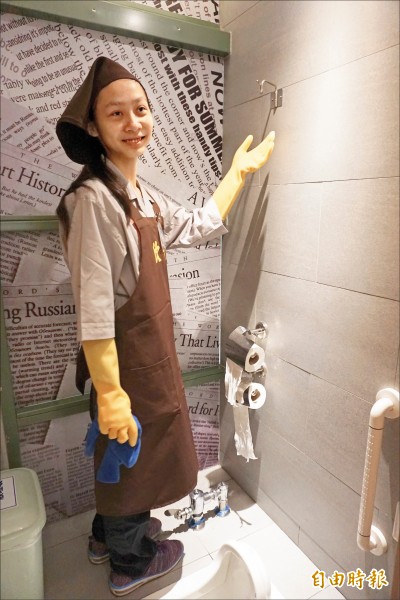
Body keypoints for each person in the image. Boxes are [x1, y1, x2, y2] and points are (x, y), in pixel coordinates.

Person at [56, 56, 275, 597]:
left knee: (130, 454)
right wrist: (111, 394)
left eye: (141, 109)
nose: (133, 122)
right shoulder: (92, 201)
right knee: (131, 458)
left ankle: (106, 537)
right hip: (121, 363)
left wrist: (237, 174)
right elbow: (96, 309)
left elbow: (198, 224)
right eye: (116, 113)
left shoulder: (139, 193)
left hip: (144, 358)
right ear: (92, 126)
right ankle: (129, 563)